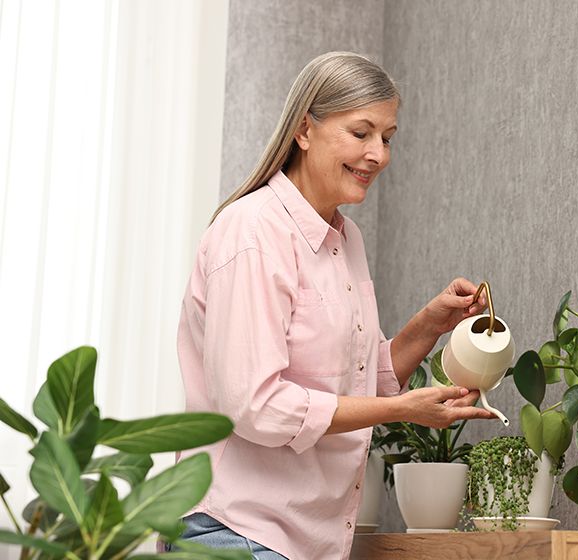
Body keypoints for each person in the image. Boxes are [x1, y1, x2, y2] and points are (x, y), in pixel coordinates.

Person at [173, 51, 496, 560]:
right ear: (304, 129)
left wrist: (428, 326)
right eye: (361, 132)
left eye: (387, 138)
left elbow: (355, 383)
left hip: (305, 541)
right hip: (236, 532)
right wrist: (401, 411)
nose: (379, 155)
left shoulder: (347, 240)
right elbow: (256, 406)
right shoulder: (253, 231)